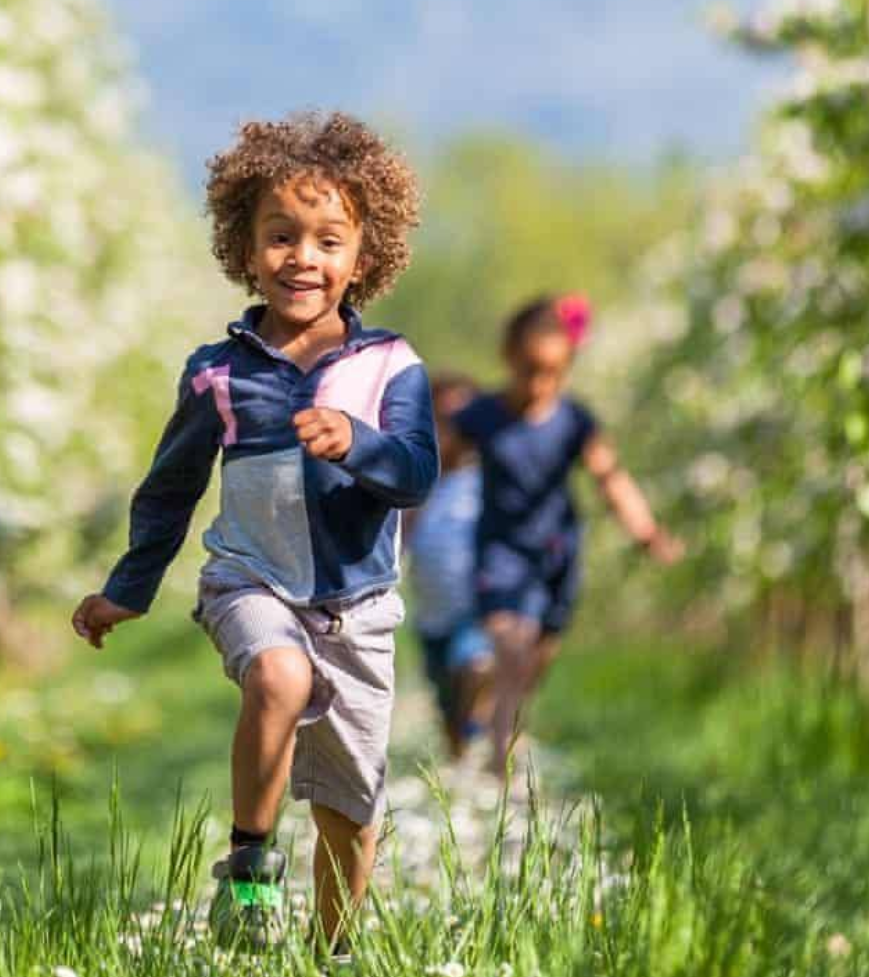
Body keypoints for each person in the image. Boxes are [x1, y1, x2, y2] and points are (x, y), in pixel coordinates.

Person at [70, 112, 434, 955]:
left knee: (351, 802)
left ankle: (333, 950)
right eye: (280, 236)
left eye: (326, 240)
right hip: (251, 582)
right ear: (246, 246)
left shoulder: (389, 367)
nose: (302, 257)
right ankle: (249, 865)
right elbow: (170, 488)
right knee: (278, 674)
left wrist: (359, 442)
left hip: (358, 605)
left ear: (362, 257)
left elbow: (416, 472)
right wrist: (126, 588)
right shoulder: (218, 372)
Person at [451, 294, 682, 779]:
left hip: (555, 554)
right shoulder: (483, 416)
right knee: (511, 647)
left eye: (552, 372)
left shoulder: (575, 422)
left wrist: (646, 531)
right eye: (529, 369)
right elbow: (434, 466)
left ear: (567, 366)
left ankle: (490, 711)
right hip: (499, 551)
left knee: (534, 660)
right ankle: (500, 764)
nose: (539, 383)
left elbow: (611, 478)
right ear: (509, 359)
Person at [404, 373, 493, 759]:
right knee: (446, 704)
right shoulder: (421, 482)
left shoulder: (487, 480)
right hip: (432, 613)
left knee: (475, 665)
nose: (453, 431)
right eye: (442, 420)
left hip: (479, 606)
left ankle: (482, 728)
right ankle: (460, 762)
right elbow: (401, 537)